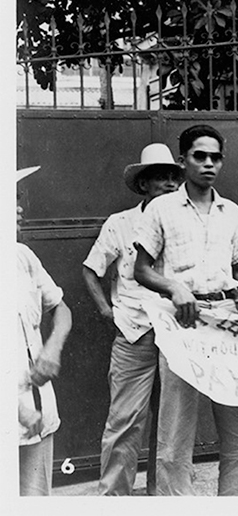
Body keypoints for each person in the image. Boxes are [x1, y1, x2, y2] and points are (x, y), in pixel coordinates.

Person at [133, 124, 238, 496]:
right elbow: (140, 269)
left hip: (225, 320)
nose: (208, 164)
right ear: (183, 160)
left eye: (215, 157)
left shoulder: (231, 212)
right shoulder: (161, 208)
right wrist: (175, 287)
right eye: (199, 156)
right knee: (175, 432)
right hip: (181, 324)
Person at [82, 143, 182, 495]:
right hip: (134, 332)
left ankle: (163, 496)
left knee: (173, 423)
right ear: (143, 185)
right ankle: (114, 497)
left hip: (176, 333)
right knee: (125, 420)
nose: (170, 184)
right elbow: (91, 270)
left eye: (174, 178)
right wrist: (108, 312)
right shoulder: (121, 224)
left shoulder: (185, 223)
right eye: (160, 178)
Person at [17, 166, 73, 496]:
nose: (19, 208)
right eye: (8, 202)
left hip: (38, 411)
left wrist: (53, 347)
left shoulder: (22, 255)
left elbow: (61, 309)